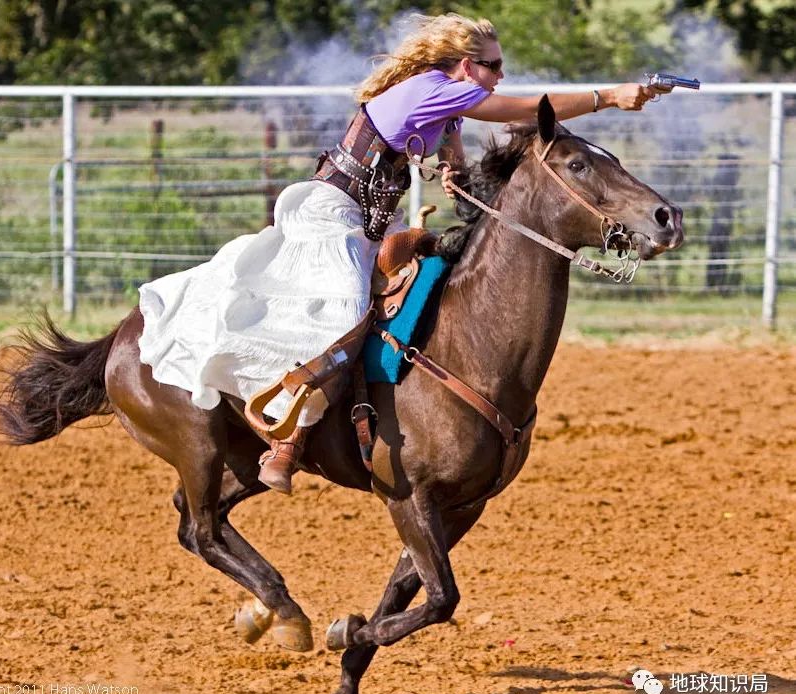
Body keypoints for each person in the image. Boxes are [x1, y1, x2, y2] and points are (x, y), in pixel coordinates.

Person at [137, 13, 661, 495]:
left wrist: (454, 170)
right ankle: (287, 438)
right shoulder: (431, 89)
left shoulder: (447, 104)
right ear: (462, 66)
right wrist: (608, 96)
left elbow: (451, 148)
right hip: (330, 212)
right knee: (342, 311)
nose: (500, 75)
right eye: (492, 66)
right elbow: (527, 111)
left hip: (364, 223)